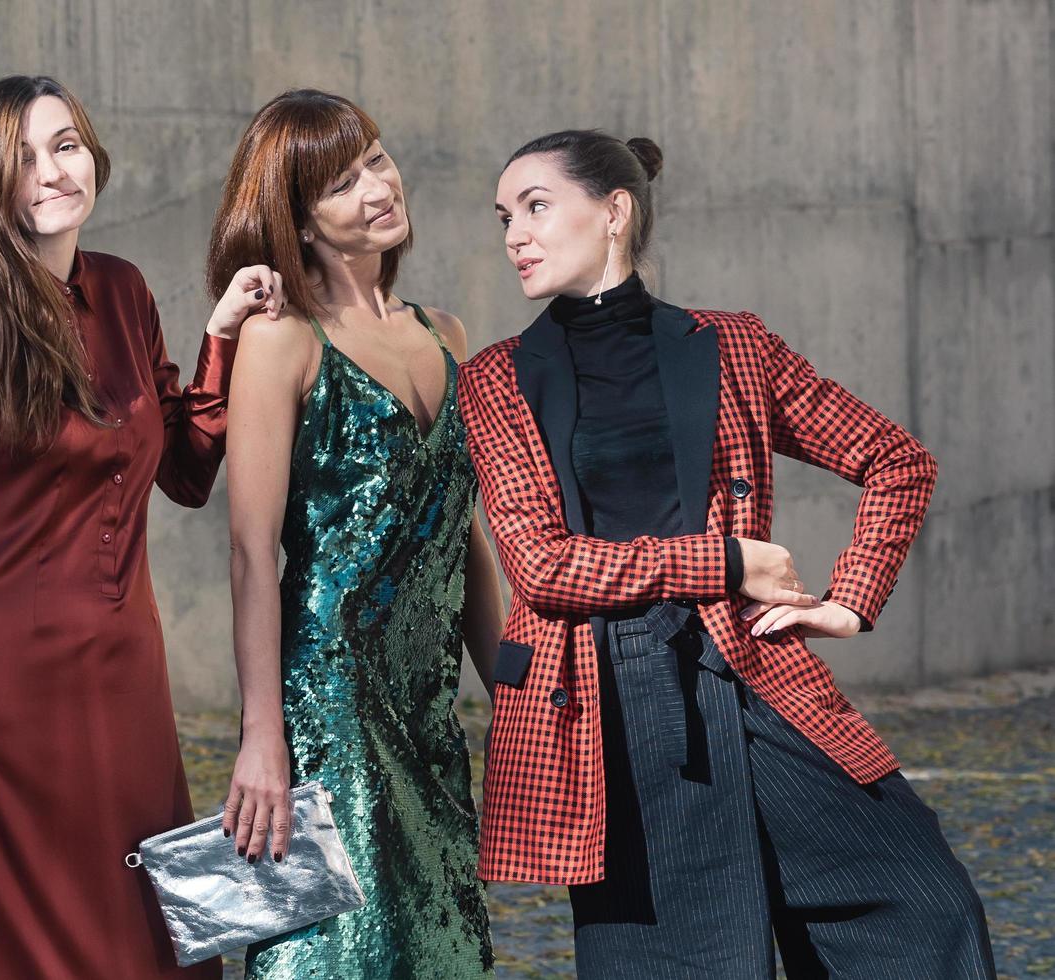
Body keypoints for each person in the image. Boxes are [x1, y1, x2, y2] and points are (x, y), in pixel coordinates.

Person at [459, 128, 997, 979]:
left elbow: (897, 459)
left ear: (614, 212)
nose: (513, 235)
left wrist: (851, 598)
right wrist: (729, 561)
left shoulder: (733, 344)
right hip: (607, 699)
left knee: (921, 908)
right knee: (682, 963)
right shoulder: (494, 377)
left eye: (535, 207)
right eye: (502, 218)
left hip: (753, 672)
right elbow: (543, 568)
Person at [0, 74, 284, 979]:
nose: (53, 172)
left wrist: (219, 335)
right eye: (22, 158)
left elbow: (182, 470)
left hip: (122, 677)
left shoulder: (127, 290)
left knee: (138, 935)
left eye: (64, 145)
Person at [210, 89, 503, 978]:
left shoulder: (446, 334)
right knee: (338, 957)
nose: (377, 187)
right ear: (297, 223)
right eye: (341, 183)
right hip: (329, 703)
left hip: (427, 707)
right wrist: (264, 736)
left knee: (441, 948)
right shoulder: (280, 341)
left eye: (376, 158)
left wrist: (516, 693)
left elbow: (464, 535)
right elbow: (253, 551)